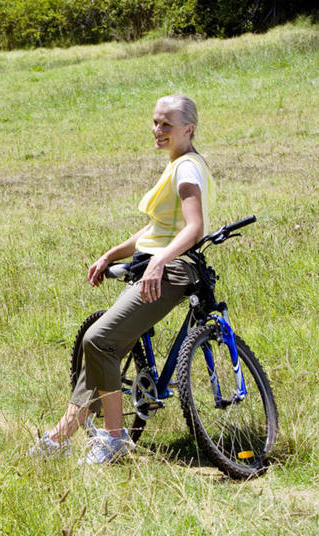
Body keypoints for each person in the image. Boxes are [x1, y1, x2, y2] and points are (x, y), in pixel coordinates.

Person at [30, 94, 215, 464]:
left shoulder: (187, 169)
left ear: (188, 129)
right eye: (155, 122)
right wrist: (111, 255)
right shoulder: (176, 165)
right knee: (97, 344)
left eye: (167, 124)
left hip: (173, 269)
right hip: (156, 263)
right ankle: (61, 436)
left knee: (100, 341)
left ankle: (114, 439)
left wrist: (160, 260)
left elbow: (194, 228)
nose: (157, 130)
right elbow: (156, 228)